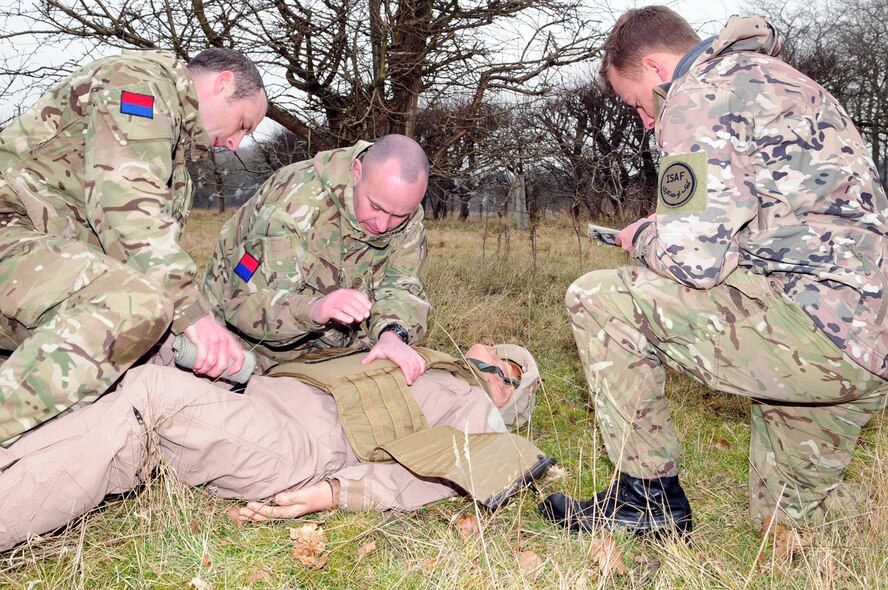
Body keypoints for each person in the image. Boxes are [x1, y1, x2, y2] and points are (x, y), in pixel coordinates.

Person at [541, 6, 888, 539]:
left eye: (635, 102)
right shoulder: (784, 81)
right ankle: (798, 524)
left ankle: (647, 499)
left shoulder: (696, 97)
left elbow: (694, 264)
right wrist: (686, 227)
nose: (645, 118)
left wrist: (646, 237)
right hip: (868, 347)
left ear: (657, 69)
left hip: (815, 331)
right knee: (780, 535)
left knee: (599, 297)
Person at [0, 343, 544, 552]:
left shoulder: (476, 408)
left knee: (151, 398)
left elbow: (443, 475)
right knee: (139, 358)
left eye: (507, 361)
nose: (488, 349)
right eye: (494, 344)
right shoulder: (416, 356)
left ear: (511, 392)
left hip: (292, 446)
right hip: (259, 397)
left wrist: (333, 493)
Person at [0, 48, 268, 444]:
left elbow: (133, 257)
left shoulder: (179, 176)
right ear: (223, 83)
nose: (234, 143)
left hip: (31, 265)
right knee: (137, 304)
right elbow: (128, 205)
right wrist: (193, 315)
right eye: (243, 124)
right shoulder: (140, 82)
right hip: (10, 227)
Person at [201, 134, 431, 384]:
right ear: (357, 172)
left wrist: (392, 334)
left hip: (327, 355)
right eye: (375, 207)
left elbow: (400, 285)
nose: (383, 225)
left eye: (399, 215)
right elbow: (241, 306)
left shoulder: (406, 212)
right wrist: (314, 309)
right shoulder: (292, 207)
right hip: (238, 353)